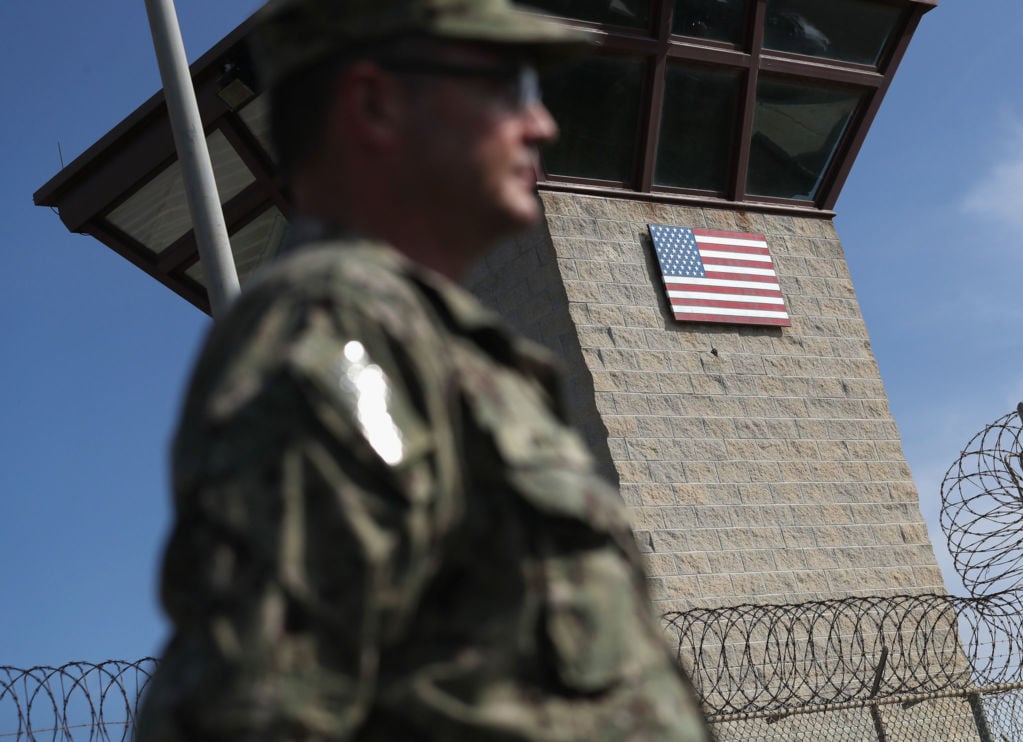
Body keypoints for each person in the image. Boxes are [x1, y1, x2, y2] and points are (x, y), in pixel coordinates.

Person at [133, 0, 712, 739]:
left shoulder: (444, 351)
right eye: (506, 88)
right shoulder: (335, 332)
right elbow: (253, 710)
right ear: (375, 104)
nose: (542, 125)